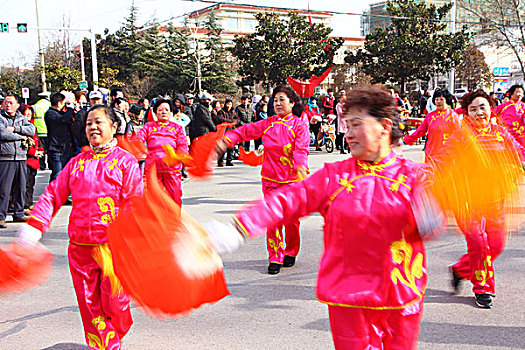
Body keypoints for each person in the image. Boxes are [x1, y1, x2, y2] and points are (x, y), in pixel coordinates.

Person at [208, 85, 441, 348]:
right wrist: (239, 228)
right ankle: (278, 254)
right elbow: (288, 199)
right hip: (348, 296)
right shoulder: (334, 177)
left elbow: (433, 226)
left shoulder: (414, 177)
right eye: (347, 126)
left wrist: (431, 217)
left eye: (356, 125)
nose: (348, 134)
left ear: (384, 127)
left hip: (400, 293)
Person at [17, 104, 143, 349]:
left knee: (115, 304)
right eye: (88, 123)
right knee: (89, 305)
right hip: (80, 250)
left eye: (99, 122)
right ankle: (105, 346)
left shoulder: (125, 163)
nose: (93, 127)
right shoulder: (76, 163)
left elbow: (134, 202)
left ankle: (114, 335)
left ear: (114, 127)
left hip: (113, 249)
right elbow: (53, 194)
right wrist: (35, 226)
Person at [433, 90, 525, 309]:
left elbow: (519, 152)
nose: (478, 112)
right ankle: (483, 288)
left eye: (482, 107)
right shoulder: (461, 136)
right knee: (478, 243)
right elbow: (441, 160)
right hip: (467, 200)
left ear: (490, 109)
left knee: (497, 245)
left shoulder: (501, 133)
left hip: (495, 198)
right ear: (466, 113)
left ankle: (460, 269)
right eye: (472, 109)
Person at [222, 85, 309, 275]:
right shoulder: (268, 123)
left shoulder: (299, 125)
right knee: (273, 220)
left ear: (292, 103)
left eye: (282, 100)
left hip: (291, 181)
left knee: (291, 221)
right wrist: (228, 139)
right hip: (270, 179)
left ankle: (291, 251)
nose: (277, 103)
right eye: (275, 100)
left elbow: (301, 149)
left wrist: (300, 165)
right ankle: (275, 256)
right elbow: (246, 131)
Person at [137, 99, 188, 206]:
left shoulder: (177, 128)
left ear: (170, 113)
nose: (163, 112)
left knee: (174, 196)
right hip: (153, 168)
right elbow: (138, 140)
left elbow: (182, 145)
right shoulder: (148, 126)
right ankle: (156, 221)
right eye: (160, 110)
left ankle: (174, 220)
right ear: (155, 113)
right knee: (153, 198)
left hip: (172, 168)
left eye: (166, 110)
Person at [0, 94, 36, 228]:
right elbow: (2, 133)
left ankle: (19, 213)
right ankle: (1, 216)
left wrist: (15, 129)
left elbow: (32, 130)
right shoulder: (1, 118)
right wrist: (21, 137)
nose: (8, 105)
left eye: (11, 103)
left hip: (21, 157)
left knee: (20, 187)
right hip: (5, 157)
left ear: (17, 105)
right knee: (4, 189)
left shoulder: (21, 117)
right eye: (6, 103)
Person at [403, 89, 461, 163]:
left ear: (447, 100)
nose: (439, 102)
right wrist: (407, 140)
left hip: (448, 153)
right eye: (436, 99)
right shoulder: (430, 116)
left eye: (441, 99)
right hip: (432, 152)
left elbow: (458, 135)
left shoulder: (453, 116)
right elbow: (420, 131)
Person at [18, 104, 44, 213]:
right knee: (25, 185)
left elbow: (38, 141)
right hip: (26, 159)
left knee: (31, 183)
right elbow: (22, 144)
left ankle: (28, 204)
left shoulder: (33, 127)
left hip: (34, 160)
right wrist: (34, 152)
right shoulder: (21, 128)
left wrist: (41, 151)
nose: (28, 114)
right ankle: (23, 205)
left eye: (30, 112)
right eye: (26, 112)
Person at [45, 92, 75, 182]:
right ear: (59, 103)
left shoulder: (59, 113)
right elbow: (62, 120)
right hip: (56, 148)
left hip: (64, 147)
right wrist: (70, 109)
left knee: (65, 173)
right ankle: (53, 193)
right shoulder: (50, 114)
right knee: (57, 173)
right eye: (63, 103)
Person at [215, 99, 240, 167]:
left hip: (231, 131)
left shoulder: (233, 111)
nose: (228, 106)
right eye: (227, 104)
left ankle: (229, 160)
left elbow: (237, 119)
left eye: (230, 104)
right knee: (222, 147)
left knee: (231, 146)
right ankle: (220, 161)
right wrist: (230, 121)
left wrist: (233, 122)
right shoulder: (221, 111)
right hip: (223, 130)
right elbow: (220, 119)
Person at [32, 91, 51, 170]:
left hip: (38, 131)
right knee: (50, 150)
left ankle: (42, 165)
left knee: (41, 148)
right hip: (48, 130)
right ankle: (50, 165)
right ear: (47, 97)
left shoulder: (34, 106)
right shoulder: (49, 105)